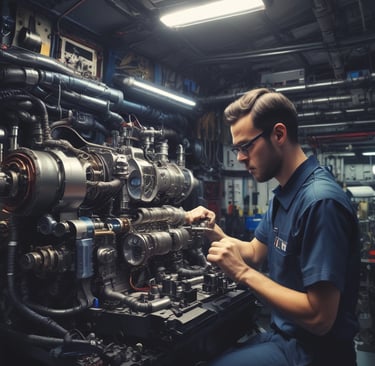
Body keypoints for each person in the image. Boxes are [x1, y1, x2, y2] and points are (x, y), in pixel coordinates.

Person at [185, 88, 360, 366]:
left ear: (279, 135)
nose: (240, 157)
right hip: (284, 336)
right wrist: (211, 232)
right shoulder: (286, 193)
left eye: (246, 146)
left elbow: (320, 318)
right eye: (237, 149)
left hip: (315, 353)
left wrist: (241, 273)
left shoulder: (319, 202)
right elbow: (254, 251)